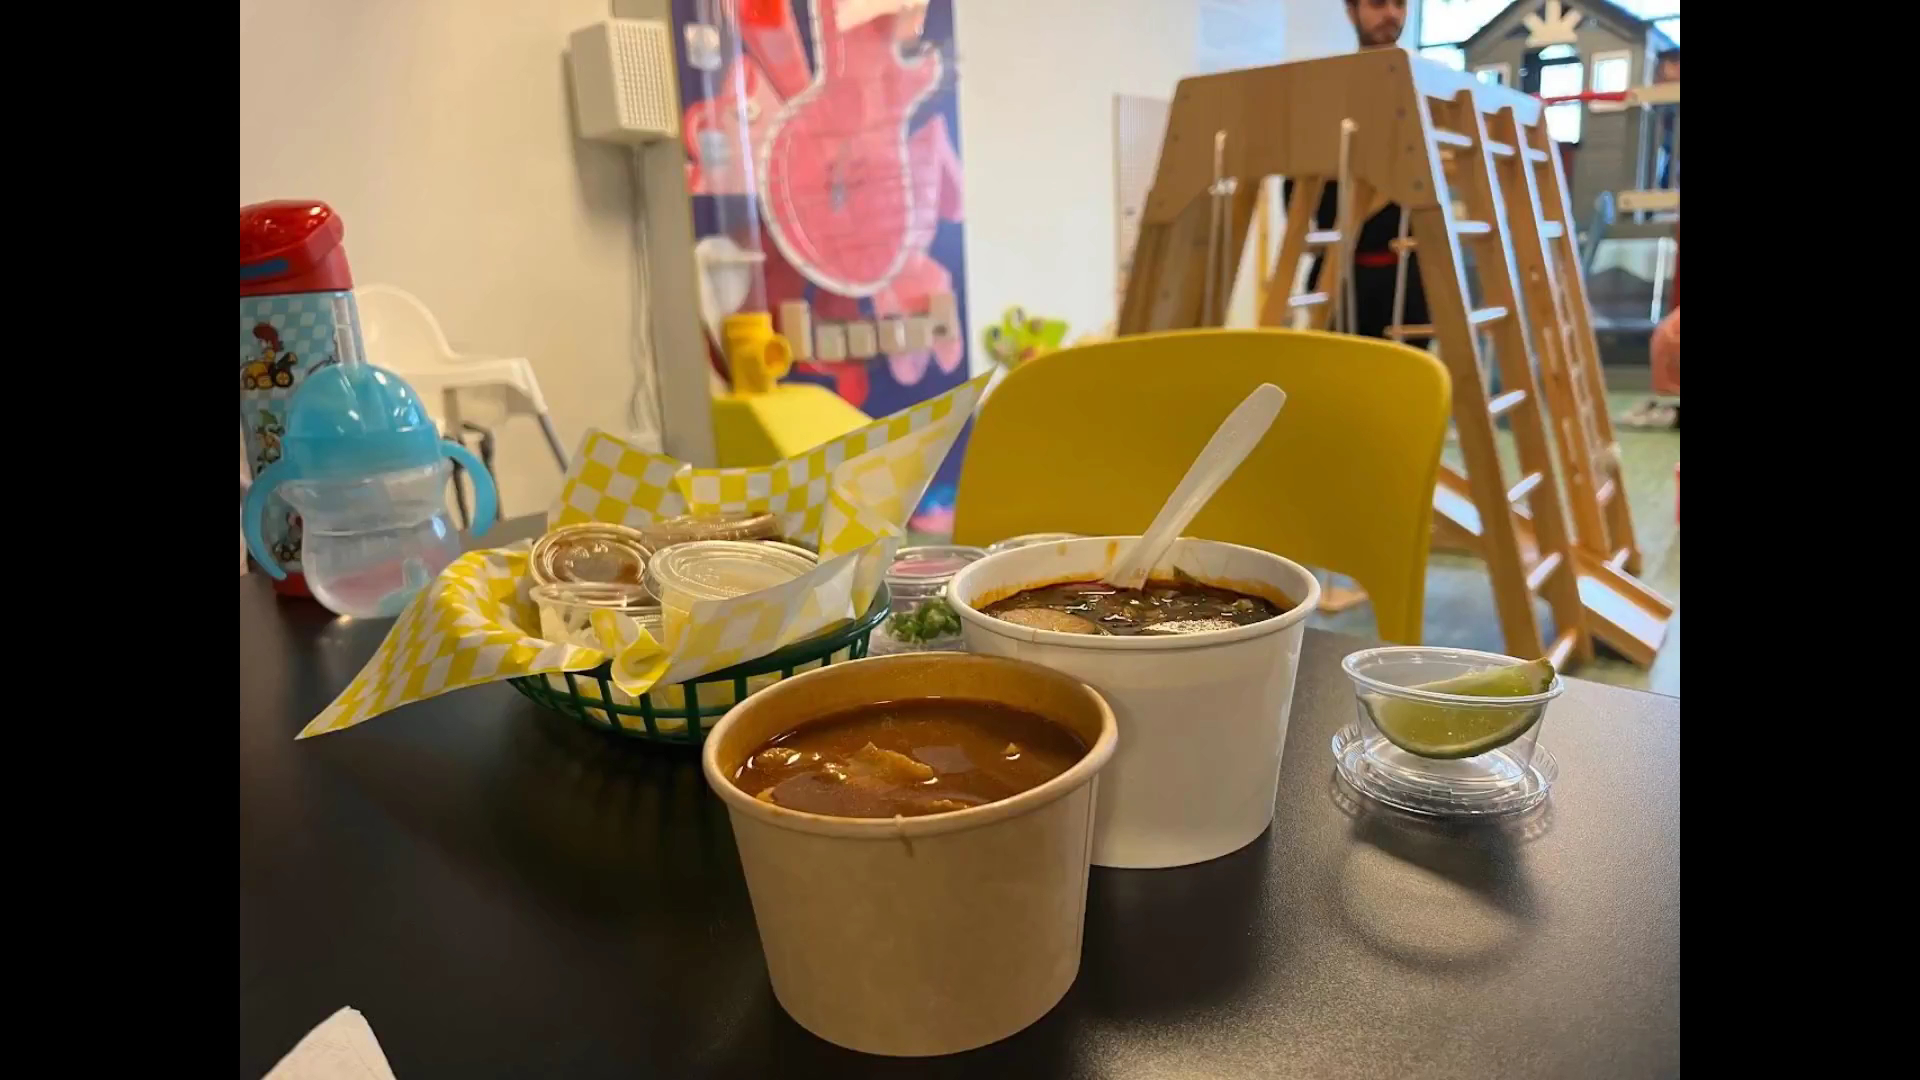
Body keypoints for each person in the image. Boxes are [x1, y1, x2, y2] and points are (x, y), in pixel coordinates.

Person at [1282, 1, 1429, 350]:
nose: (1391, 14)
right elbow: (1296, 182)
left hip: (1408, 283)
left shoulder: (1423, 92)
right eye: (1377, 3)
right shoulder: (1325, 96)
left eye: (1400, 3)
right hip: (1339, 279)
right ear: (1352, 11)